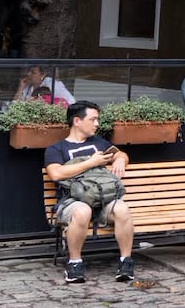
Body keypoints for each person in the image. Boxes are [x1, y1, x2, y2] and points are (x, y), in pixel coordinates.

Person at [45, 101, 135, 285]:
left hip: (102, 200)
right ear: (77, 121)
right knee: (83, 211)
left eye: (97, 120)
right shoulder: (57, 149)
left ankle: (125, 261)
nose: (97, 124)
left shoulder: (99, 143)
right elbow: (56, 173)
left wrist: (120, 159)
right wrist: (90, 163)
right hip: (72, 201)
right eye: (93, 119)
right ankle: (75, 263)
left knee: (122, 209)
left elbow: (120, 154)